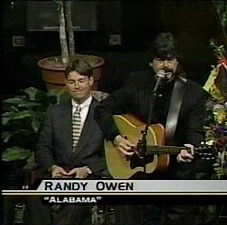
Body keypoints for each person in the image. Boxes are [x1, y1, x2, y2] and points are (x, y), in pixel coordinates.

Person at [94, 32, 211, 225]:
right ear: (151, 63)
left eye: (170, 60)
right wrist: (117, 138)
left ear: (177, 62)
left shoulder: (193, 93)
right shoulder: (136, 83)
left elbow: (195, 132)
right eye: (160, 60)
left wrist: (190, 148)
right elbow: (102, 110)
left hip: (178, 177)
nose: (165, 65)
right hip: (142, 173)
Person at [29, 58, 108, 225]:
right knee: (36, 195)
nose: (77, 86)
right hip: (59, 174)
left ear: (91, 81)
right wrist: (52, 167)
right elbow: (43, 147)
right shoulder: (54, 112)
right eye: (72, 82)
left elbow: (112, 154)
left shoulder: (105, 113)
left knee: (75, 201)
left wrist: (88, 169)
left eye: (81, 81)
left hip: (88, 177)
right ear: (66, 83)